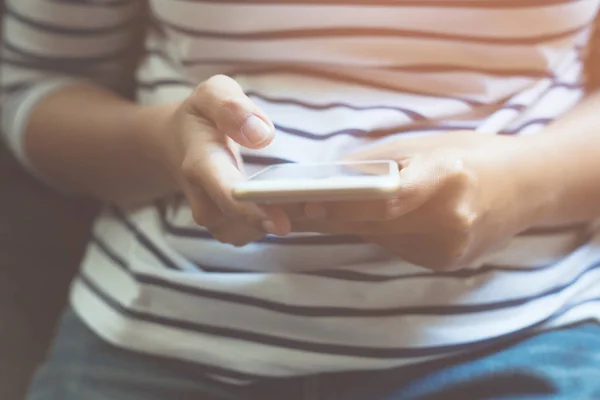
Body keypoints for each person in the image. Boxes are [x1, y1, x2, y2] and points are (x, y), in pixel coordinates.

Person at [3, 0, 600, 399]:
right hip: (156, 345)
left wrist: (528, 182)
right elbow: (32, 85)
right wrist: (163, 146)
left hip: (526, 339)